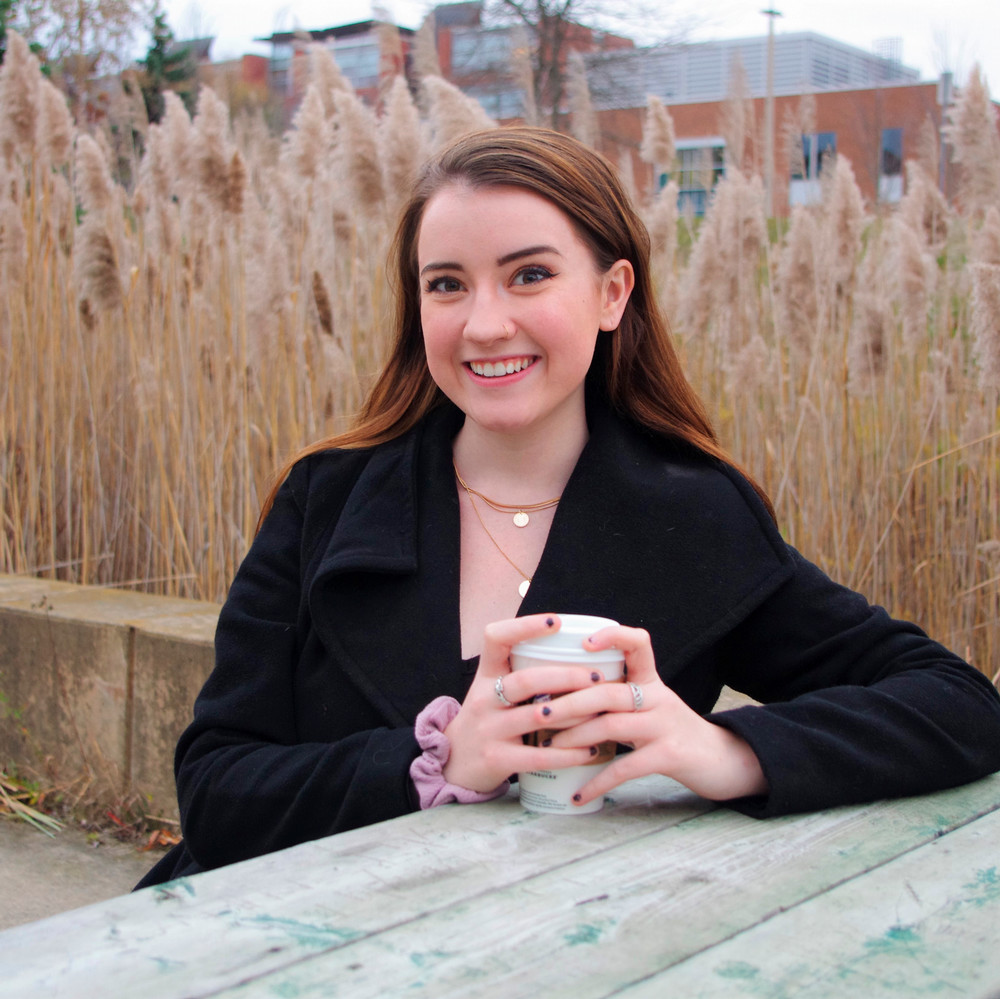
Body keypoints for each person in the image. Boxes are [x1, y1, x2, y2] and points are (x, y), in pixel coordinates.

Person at [137, 126, 1000, 888]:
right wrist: (430, 761)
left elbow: (958, 702)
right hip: (278, 946)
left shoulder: (694, 518)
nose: (483, 323)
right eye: (447, 285)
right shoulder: (326, 499)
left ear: (613, 293)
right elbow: (216, 787)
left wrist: (725, 748)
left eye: (530, 275)